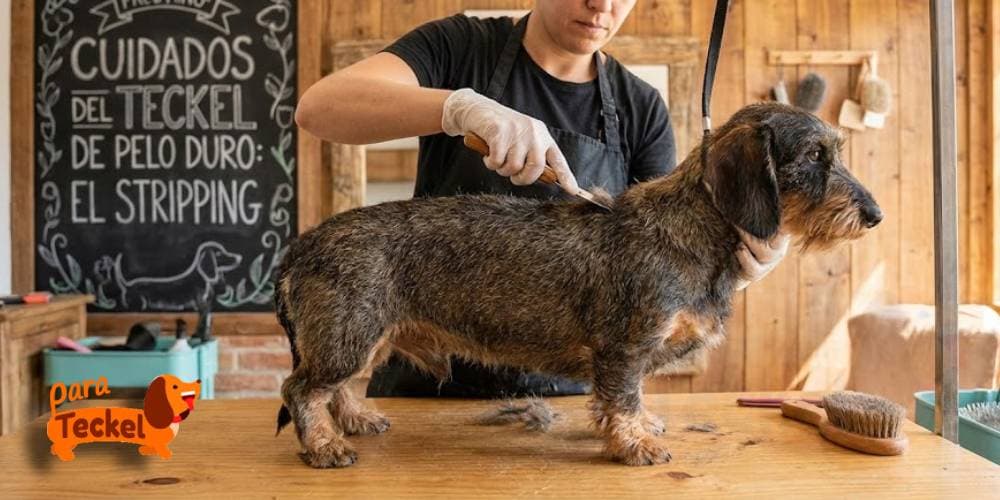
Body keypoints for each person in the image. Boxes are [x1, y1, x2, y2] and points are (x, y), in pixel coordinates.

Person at [294, 0, 789, 398]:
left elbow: (663, 267)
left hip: (570, 403)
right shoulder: (460, 46)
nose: (602, 6)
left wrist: (736, 269)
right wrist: (458, 107)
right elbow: (319, 109)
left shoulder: (641, 108)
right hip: (430, 392)